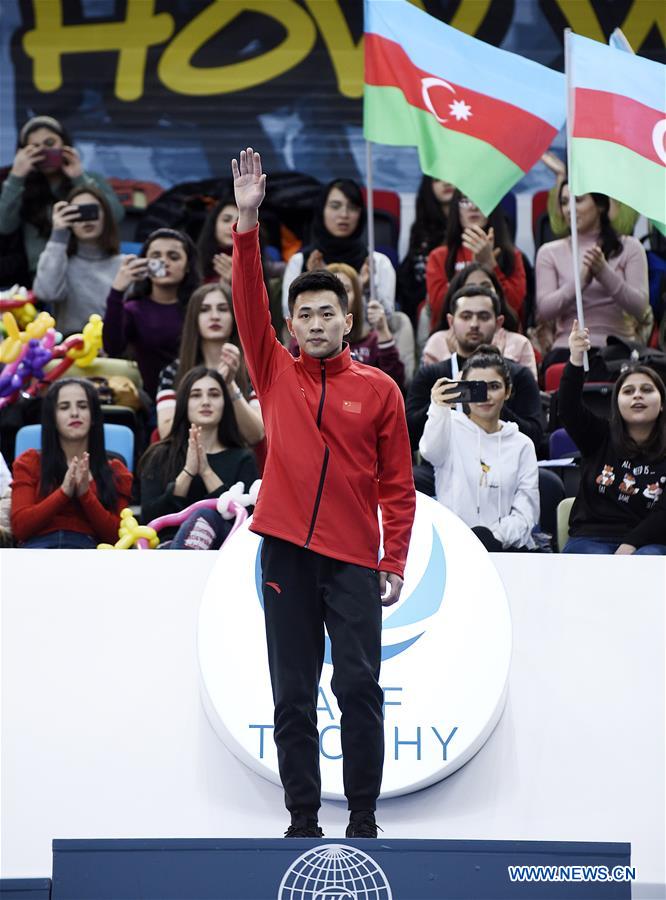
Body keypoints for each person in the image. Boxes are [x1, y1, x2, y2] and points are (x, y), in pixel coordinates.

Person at [232, 147, 415, 839]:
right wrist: (247, 221)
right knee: (292, 699)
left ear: (348, 321)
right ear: (292, 324)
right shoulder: (275, 372)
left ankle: (363, 819)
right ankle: (302, 820)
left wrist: (392, 560)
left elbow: (398, 489)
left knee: (360, 691)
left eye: (325, 313)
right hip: (283, 554)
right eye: (302, 313)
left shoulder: (381, 391)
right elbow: (248, 297)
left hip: (352, 562)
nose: (313, 322)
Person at [559, 321, 666, 554]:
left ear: (662, 405)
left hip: (650, 541)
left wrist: (630, 545)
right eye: (628, 391)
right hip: (591, 538)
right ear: (617, 404)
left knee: (648, 560)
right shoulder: (598, 436)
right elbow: (567, 408)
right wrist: (576, 359)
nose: (637, 395)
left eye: (647, 390)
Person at [420, 346, 539, 551]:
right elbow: (429, 451)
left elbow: (526, 512)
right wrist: (438, 407)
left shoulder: (523, 445)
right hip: (454, 547)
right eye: (477, 388)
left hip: (507, 549)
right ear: (463, 389)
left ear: (508, 391)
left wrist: (492, 538)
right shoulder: (448, 427)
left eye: (494, 386)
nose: (485, 396)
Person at [407, 285, 543, 455]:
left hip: (503, 462)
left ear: (498, 323)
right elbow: (408, 437)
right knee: (418, 478)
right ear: (451, 322)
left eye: (483, 317)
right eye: (465, 316)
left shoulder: (519, 375)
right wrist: (440, 405)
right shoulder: (431, 375)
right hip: (442, 465)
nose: (474, 324)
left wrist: (494, 404)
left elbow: (535, 438)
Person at [140, 366, 259, 548]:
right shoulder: (160, 455)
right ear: (184, 403)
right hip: (165, 554)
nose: (205, 402)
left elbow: (248, 521)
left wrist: (206, 471)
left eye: (214, 394)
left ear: (225, 403)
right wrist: (188, 472)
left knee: (205, 515)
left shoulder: (243, 458)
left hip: (222, 555)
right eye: (196, 395)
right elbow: (149, 518)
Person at [536, 182, 649, 372]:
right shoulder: (549, 252)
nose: (569, 209)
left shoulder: (630, 247)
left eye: (578, 201)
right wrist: (581, 282)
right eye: (564, 202)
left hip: (618, 347)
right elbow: (545, 310)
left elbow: (640, 307)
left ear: (601, 206)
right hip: (567, 348)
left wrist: (605, 273)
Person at [10, 378, 132, 548]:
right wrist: (63, 493)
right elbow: (20, 529)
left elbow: (117, 537)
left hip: (88, 553)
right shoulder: (29, 462)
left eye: (82, 406)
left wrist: (84, 494)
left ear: (94, 416)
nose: (74, 413)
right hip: (36, 554)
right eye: (64, 407)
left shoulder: (117, 471)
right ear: (52, 417)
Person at [0, 115, 124, 280]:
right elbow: (5, 225)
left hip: (86, 272)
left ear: (65, 145)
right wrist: (16, 176)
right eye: (35, 147)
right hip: (40, 276)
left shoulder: (88, 178)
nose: (44, 151)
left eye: (50, 144)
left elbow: (115, 215)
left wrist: (79, 178)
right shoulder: (18, 186)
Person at [155, 283, 264, 444]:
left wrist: (229, 385)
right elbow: (165, 433)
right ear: (194, 318)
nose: (214, 316)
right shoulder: (172, 372)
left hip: (241, 460)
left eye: (223, 309)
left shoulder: (255, 371)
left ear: (235, 317)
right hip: (186, 459)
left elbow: (256, 434)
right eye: (204, 309)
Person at [103, 227, 201, 399]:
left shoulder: (201, 306)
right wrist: (117, 290)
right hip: (151, 401)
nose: (164, 262)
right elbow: (112, 347)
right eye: (156, 256)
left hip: (196, 396)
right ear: (145, 262)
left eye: (174, 256)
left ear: (187, 267)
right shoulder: (133, 309)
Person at [281, 178, 396, 319]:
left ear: (361, 214)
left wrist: (362, 288)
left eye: (352, 208)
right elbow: (289, 316)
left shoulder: (378, 263)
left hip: (366, 339)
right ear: (322, 210)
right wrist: (314, 282)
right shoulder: (299, 262)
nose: (344, 215)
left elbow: (388, 317)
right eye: (335, 206)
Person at [425, 189, 526, 330]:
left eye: (480, 199)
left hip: (500, 337)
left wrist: (490, 266)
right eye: (465, 201)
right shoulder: (439, 256)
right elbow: (439, 307)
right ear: (456, 209)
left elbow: (513, 306)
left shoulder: (512, 255)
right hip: (452, 337)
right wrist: (476, 268)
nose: (473, 206)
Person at [296, 263, 406, 389]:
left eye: (346, 290)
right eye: (332, 291)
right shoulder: (306, 337)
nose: (338, 298)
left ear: (357, 295)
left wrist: (382, 330)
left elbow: (395, 383)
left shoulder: (372, 340)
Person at [32, 184, 122, 336]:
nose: (86, 219)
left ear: (105, 215)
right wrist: (58, 233)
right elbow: (46, 293)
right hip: (70, 350)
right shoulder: (60, 262)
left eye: (91, 211)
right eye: (77, 213)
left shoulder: (123, 265)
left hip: (113, 349)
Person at [422, 262, 537, 379]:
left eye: (486, 286)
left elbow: (528, 392)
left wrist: (500, 362)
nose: (479, 291)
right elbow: (431, 392)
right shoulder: (438, 342)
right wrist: (455, 358)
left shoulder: (519, 343)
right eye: (470, 287)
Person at [396, 176, 453, 324]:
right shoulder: (421, 231)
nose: (446, 182)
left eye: (451, 177)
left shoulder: (473, 222)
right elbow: (417, 280)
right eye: (437, 179)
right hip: (428, 303)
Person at [197, 195, 239, 288]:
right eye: (226, 220)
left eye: (240, 221)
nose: (233, 226)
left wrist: (238, 281)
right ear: (213, 224)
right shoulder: (195, 262)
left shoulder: (257, 263)